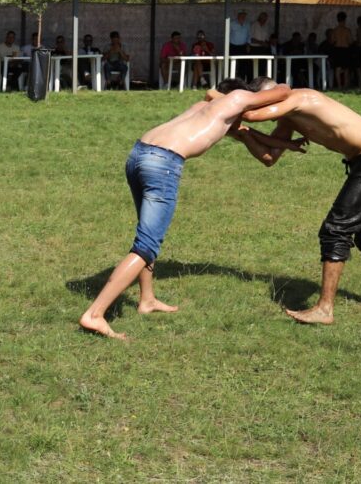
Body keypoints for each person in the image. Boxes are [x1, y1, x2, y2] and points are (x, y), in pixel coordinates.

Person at [78, 80, 296, 339]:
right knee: (147, 244)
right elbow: (283, 93)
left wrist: (283, 144)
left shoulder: (206, 108)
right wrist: (281, 86)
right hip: (163, 164)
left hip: (139, 154)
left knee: (146, 234)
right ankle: (95, 314)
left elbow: (245, 133)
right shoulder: (239, 97)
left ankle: (147, 299)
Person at [223, 78, 361, 325]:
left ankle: (324, 309)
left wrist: (218, 102)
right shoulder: (289, 115)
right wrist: (244, 135)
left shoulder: (301, 97)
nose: (272, 102)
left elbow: (252, 116)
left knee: (335, 229)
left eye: (271, 97)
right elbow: (269, 157)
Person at [331, 12, 354, 89]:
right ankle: (345, 85)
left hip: (337, 50)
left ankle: (339, 85)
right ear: (345, 20)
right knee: (346, 69)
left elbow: (332, 41)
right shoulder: (347, 30)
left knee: (338, 68)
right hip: (345, 49)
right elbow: (350, 41)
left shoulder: (335, 30)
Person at [229, 10, 251, 79]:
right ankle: (231, 79)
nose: (243, 16)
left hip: (243, 46)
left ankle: (241, 80)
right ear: (238, 15)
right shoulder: (232, 23)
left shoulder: (247, 24)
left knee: (243, 64)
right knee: (232, 64)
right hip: (233, 46)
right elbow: (227, 34)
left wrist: (248, 44)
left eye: (244, 15)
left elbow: (249, 35)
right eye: (242, 15)